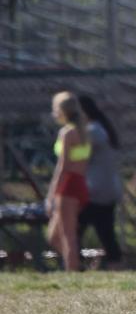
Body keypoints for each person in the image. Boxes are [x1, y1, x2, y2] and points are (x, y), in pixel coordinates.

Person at [77, 95, 125, 268]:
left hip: (94, 190)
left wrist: (64, 146)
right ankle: (115, 264)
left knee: (75, 229)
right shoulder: (102, 128)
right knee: (106, 232)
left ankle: (76, 264)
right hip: (108, 188)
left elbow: (79, 157)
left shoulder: (92, 131)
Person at [46, 91, 91, 272]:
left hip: (68, 184)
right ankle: (76, 266)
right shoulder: (84, 131)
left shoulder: (67, 132)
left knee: (67, 234)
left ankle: (72, 272)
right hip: (80, 183)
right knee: (54, 236)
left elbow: (62, 167)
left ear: (62, 111)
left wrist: (51, 193)